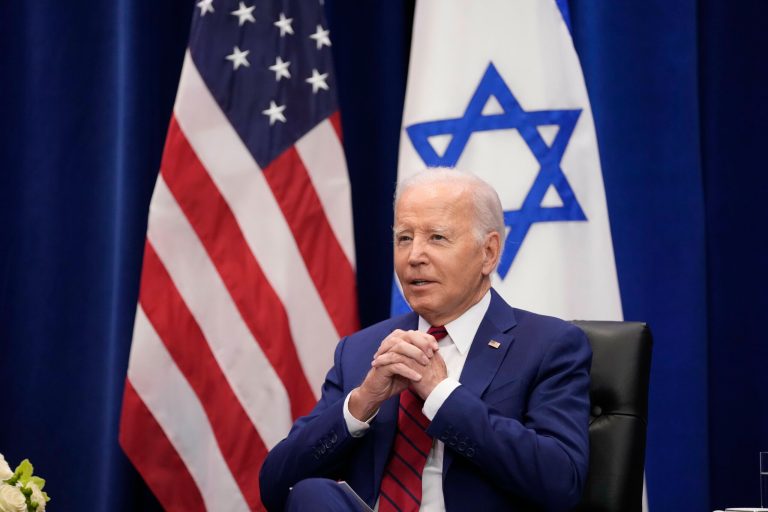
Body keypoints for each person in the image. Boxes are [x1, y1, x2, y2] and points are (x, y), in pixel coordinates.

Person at [259, 169, 592, 511]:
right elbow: (274, 486)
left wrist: (442, 395)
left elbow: (560, 482)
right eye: (404, 238)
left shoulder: (548, 345)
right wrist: (360, 404)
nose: (414, 256)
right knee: (311, 494)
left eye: (437, 237)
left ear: (488, 253)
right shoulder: (361, 351)